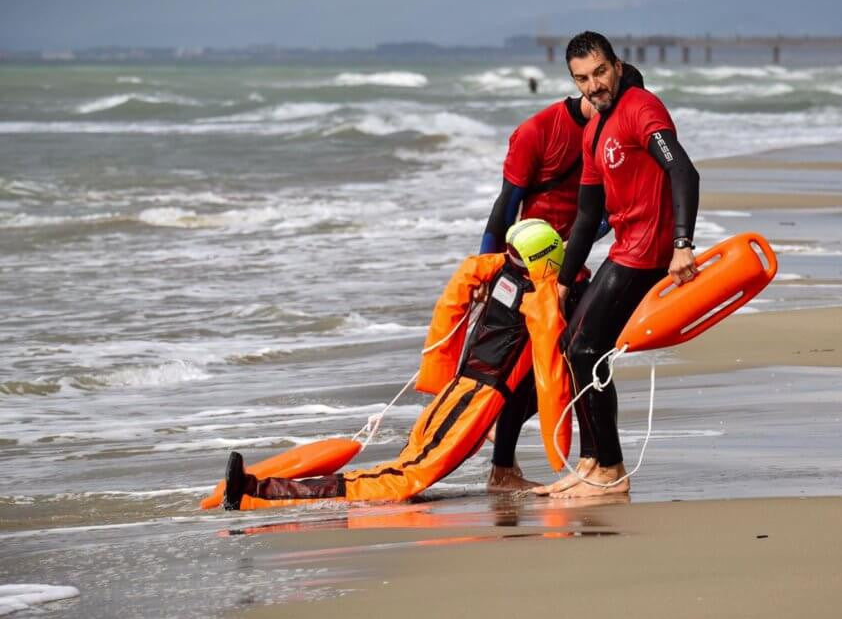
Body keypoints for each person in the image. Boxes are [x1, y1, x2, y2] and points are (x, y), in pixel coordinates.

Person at [222, 219, 573, 509]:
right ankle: (258, 492)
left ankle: (260, 489)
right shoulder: (536, 298)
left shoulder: (497, 273)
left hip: (457, 390)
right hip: (475, 400)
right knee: (404, 479)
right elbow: (551, 367)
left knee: (403, 467)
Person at [533, 31, 701, 499]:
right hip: (625, 247)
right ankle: (592, 462)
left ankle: (611, 469)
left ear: (618, 66)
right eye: (581, 78)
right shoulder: (593, 131)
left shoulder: (641, 107)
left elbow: (683, 170)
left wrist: (682, 244)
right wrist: (565, 282)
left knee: (585, 350)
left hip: (649, 252)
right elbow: (587, 215)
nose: (593, 85)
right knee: (576, 345)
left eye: (600, 72)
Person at [477, 70, 645, 492]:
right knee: (516, 374)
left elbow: (604, 213)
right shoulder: (538, 131)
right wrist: (485, 268)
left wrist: (580, 247)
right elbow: (504, 207)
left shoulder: (612, 137)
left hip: (572, 273)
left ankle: (591, 465)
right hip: (525, 271)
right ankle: (503, 470)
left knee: (581, 367)